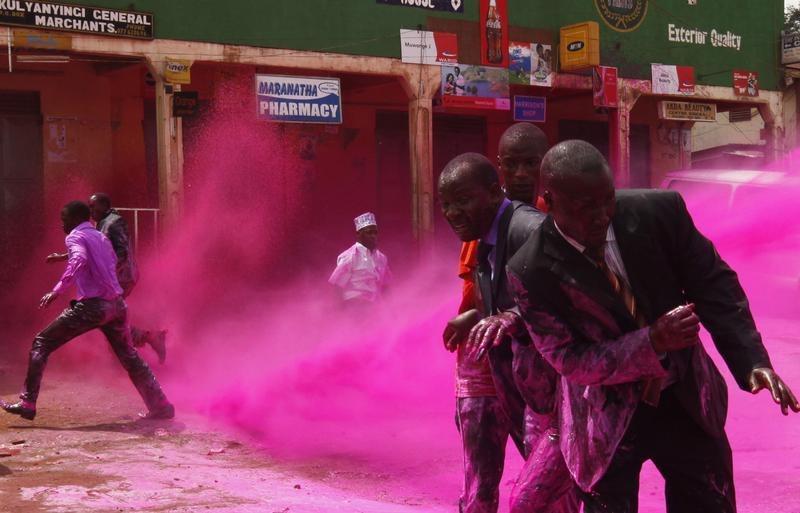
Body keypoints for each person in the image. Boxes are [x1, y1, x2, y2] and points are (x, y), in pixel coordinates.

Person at [506, 140, 800, 513]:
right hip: (604, 417)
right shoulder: (530, 270)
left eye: (607, 200)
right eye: (585, 206)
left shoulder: (659, 212)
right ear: (549, 200)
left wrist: (753, 360)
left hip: (683, 398)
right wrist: (651, 342)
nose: (601, 216)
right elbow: (569, 359)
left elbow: (713, 282)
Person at [443, 125, 575, 513]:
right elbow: (484, 291)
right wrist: (475, 317)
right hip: (490, 360)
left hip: (543, 373)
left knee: (543, 485)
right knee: (480, 480)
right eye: (512, 164)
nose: (521, 174)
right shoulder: (482, 221)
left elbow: (567, 293)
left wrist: (511, 317)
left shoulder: (539, 221)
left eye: (531, 164)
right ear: (499, 168)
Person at [2, 201, 174, 421]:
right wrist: (63, 257)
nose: (62, 224)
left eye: (64, 219)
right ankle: (161, 406)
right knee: (131, 358)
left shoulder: (74, 236)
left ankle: (27, 403)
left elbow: (80, 259)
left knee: (41, 343)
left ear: (75, 219)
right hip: (117, 305)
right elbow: (107, 259)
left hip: (92, 306)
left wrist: (57, 290)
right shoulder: (100, 236)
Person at [46, 194, 167, 363]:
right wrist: (62, 257)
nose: (90, 210)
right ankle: (142, 343)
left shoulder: (113, 223)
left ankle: (145, 341)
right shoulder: (103, 222)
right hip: (116, 277)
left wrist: (106, 275)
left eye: (93, 206)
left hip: (122, 277)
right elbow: (92, 249)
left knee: (105, 316)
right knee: (108, 318)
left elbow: (122, 254)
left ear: (104, 206)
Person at [328, 212, 391, 306]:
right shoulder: (350, 256)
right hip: (354, 305)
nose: (373, 236)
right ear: (358, 234)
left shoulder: (381, 258)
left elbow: (386, 285)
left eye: (375, 232)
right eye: (369, 232)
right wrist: (340, 310)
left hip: (375, 306)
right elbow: (336, 286)